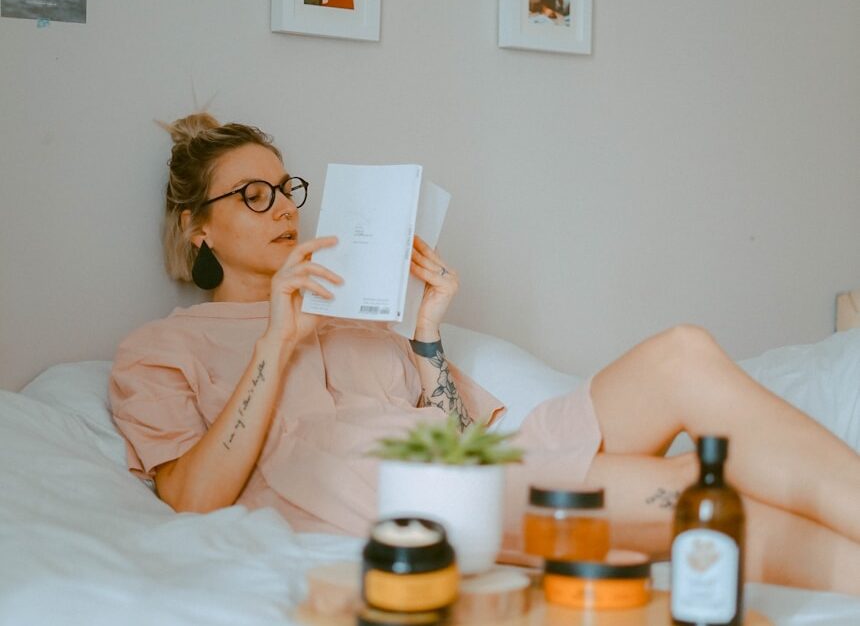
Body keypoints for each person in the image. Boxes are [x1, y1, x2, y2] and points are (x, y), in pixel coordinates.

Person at [109, 113, 860, 594]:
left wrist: (427, 333)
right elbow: (190, 499)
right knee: (698, 494)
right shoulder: (164, 346)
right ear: (197, 228)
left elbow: (462, 442)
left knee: (683, 353)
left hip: (472, 472)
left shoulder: (361, 322)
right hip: (373, 494)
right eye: (253, 195)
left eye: (286, 187)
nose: (285, 207)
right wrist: (277, 336)